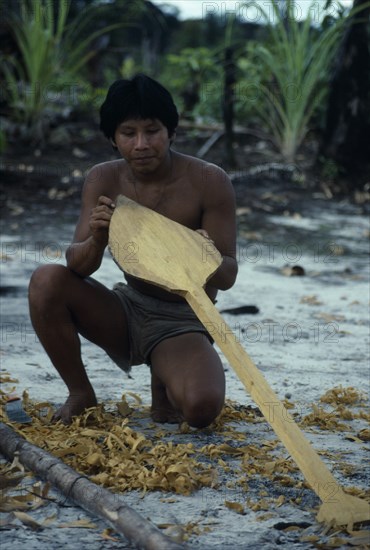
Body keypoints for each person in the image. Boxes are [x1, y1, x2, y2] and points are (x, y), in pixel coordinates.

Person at [28, 74, 238, 427]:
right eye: (128, 133)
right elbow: (76, 267)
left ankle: (163, 376)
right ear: (113, 139)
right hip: (126, 308)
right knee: (47, 279)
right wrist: (97, 238)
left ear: (172, 131)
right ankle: (81, 393)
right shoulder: (102, 179)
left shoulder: (209, 180)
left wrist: (204, 255)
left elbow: (228, 276)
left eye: (152, 131)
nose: (141, 144)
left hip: (182, 317)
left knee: (201, 409)